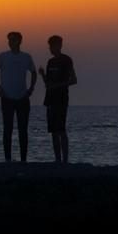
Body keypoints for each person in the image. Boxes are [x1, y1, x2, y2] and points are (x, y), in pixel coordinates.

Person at [0, 31, 37, 162]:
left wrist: (31, 88)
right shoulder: (3, 56)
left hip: (22, 97)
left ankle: (23, 159)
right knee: (7, 129)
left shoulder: (26, 57)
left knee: (23, 130)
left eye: (14, 39)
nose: (11, 42)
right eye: (9, 40)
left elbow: (34, 72)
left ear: (20, 41)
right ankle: (8, 159)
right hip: (7, 98)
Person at [38, 35, 77, 164]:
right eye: (50, 46)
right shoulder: (50, 62)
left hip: (61, 99)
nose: (51, 49)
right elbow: (48, 84)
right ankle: (57, 159)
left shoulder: (66, 60)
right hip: (50, 99)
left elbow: (73, 80)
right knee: (53, 131)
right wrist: (43, 75)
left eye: (53, 46)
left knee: (61, 130)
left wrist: (58, 85)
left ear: (59, 45)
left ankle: (65, 160)